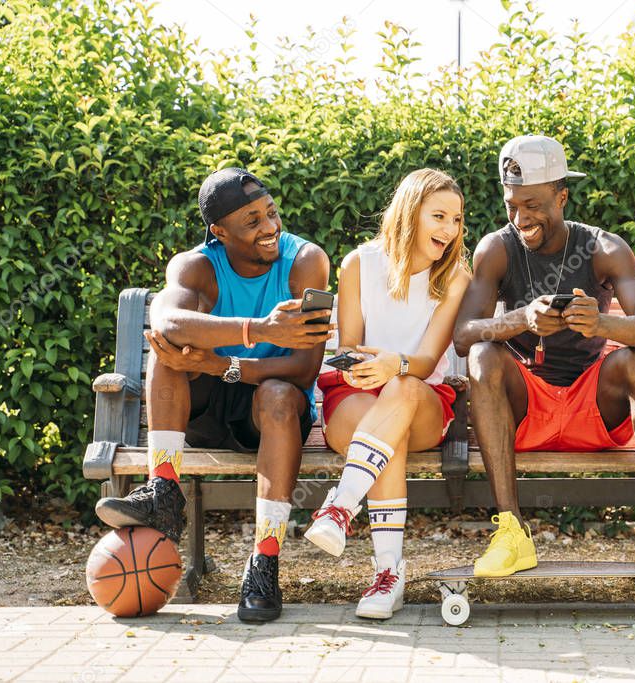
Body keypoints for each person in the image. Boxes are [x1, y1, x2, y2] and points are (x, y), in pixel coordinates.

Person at [452, 135, 635, 578]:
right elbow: (463, 336)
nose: (521, 218)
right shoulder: (495, 248)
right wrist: (522, 319)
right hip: (526, 409)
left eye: (534, 205)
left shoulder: (604, 247)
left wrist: (600, 324)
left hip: (594, 407)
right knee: (484, 355)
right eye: (512, 205)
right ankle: (511, 532)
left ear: (562, 196)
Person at [95, 168, 334, 623]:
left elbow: (305, 368)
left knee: (281, 394)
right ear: (219, 232)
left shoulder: (307, 261)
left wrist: (217, 363)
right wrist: (260, 329)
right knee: (166, 352)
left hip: (268, 411)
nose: (269, 228)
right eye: (252, 221)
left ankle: (265, 559)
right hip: (205, 408)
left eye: (271, 213)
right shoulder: (195, 265)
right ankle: (164, 491)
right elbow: (167, 322)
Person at [304, 168, 471, 620]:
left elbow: (426, 358)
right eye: (438, 216)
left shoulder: (455, 275)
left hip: (423, 400)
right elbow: (349, 349)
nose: (450, 230)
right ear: (409, 212)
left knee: (401, 390)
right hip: (357, 394)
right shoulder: (359, 264)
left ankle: (341, 507)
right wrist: (369, 367)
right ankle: (388, 574)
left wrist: (393, 364)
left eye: (456, 220)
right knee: (384, 433)